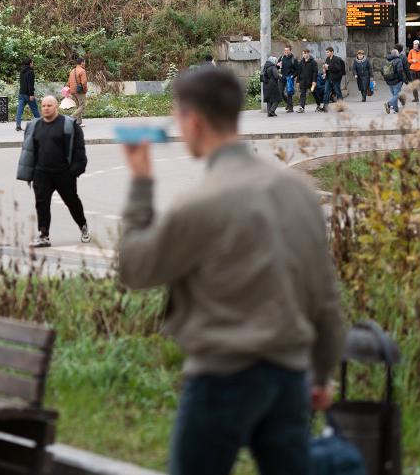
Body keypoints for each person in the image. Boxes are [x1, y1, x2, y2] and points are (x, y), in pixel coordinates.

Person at [117, 67, 344, 475]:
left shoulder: (199, 203)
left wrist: (140, 182)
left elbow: (135, 269)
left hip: (222, 376)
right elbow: (325, 296)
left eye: (177, 118)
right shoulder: (299, 193)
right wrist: (321, 373)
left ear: (194, 121)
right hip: (290, 376)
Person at [17, 95, 89, 248]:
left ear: (56, 106)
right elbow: (29, 150)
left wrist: (76, 169)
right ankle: (44, 235)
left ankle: (83, 226)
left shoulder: (68, 124)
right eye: (43, 105)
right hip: (41, 173)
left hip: (64, 172)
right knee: (41, 203)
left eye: (49, 105)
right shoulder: (34, 125)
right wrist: (30, 173)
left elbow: (79, 149)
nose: (46, 108)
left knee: (72, 201)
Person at [16, 57, 40, 132]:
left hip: (21, 93)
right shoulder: (30, 72)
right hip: (28, 94)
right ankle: (41, 125)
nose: (33, 64)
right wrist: (31, 94)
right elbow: (30, 84)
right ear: (30, 63)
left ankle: (18, 125)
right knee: (35, 109)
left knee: (19, 110)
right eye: (32, 62)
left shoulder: (22, 71)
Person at [382, 46, 406, 114]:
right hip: (396, 81)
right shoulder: (398, 60)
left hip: (389, 81)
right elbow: (400, 71)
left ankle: (396, 109)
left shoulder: (387, 60)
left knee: (394, 95)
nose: (399, 54)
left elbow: (382, 70)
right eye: (398, 53)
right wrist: (401, 79)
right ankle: (388, 104)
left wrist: (386, 78)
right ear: (396, 54)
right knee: (397, 95)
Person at [67, 57, 88, 126]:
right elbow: (84, 82)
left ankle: (79, 122)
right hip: (79, 91)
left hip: (72, 91)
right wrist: (85, 90)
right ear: (82, 63)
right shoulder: (82, 71)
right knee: (82, 106)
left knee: (78, 106)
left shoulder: (72, 71)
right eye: (84, 62)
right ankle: (71, 116)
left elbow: (69, 82)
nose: (85, 63)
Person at [295, 48, 317, 113]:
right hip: (303, 81)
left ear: (308, 53)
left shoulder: (313, 62)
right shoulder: (301, 62)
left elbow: (315, 72)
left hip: (311, 82)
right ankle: (302, 107)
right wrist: (298, 81)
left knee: (314, 93)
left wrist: (314, 81)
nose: (304, 55)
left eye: (305, 53)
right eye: (303, 54)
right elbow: (299, 72)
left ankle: (318, 105)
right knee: (302, 94)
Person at [278, 45, 298, 113]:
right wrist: (278, 65)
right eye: (285, 50)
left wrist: (293, 76)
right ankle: (288, 104)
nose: (285, 52)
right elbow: (277, 67)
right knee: (280, 92)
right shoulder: (281, 58)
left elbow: (297, 70)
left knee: (289, 93)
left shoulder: (293, 59)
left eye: (287, 50)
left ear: (290, 51)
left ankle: (291, 108)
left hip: (289, 78)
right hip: (282, 77)